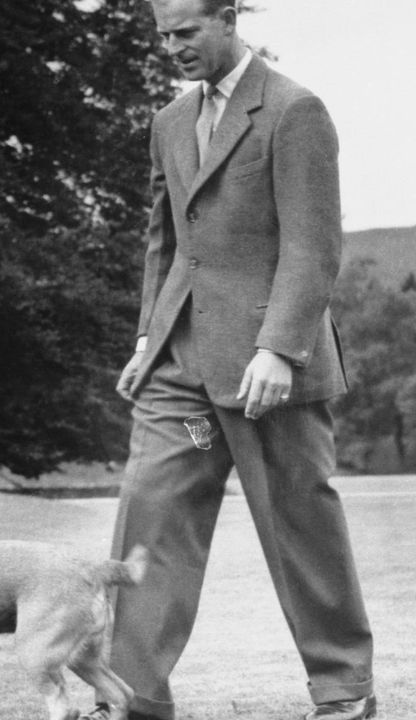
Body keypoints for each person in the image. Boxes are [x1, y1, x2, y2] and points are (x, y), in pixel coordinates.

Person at [80, 2, 376, 720]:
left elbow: (313, 245)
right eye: (164, 37)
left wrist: (278, 347)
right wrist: (149, 339)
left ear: (226, 19)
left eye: (186, 33)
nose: (173, 48)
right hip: (179, 366)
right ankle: (132, 697)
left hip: (268, 367)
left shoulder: (294, 110)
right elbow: (166, 242)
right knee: (151, 516)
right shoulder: (170, 123)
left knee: (297, 525)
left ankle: (344, 690)